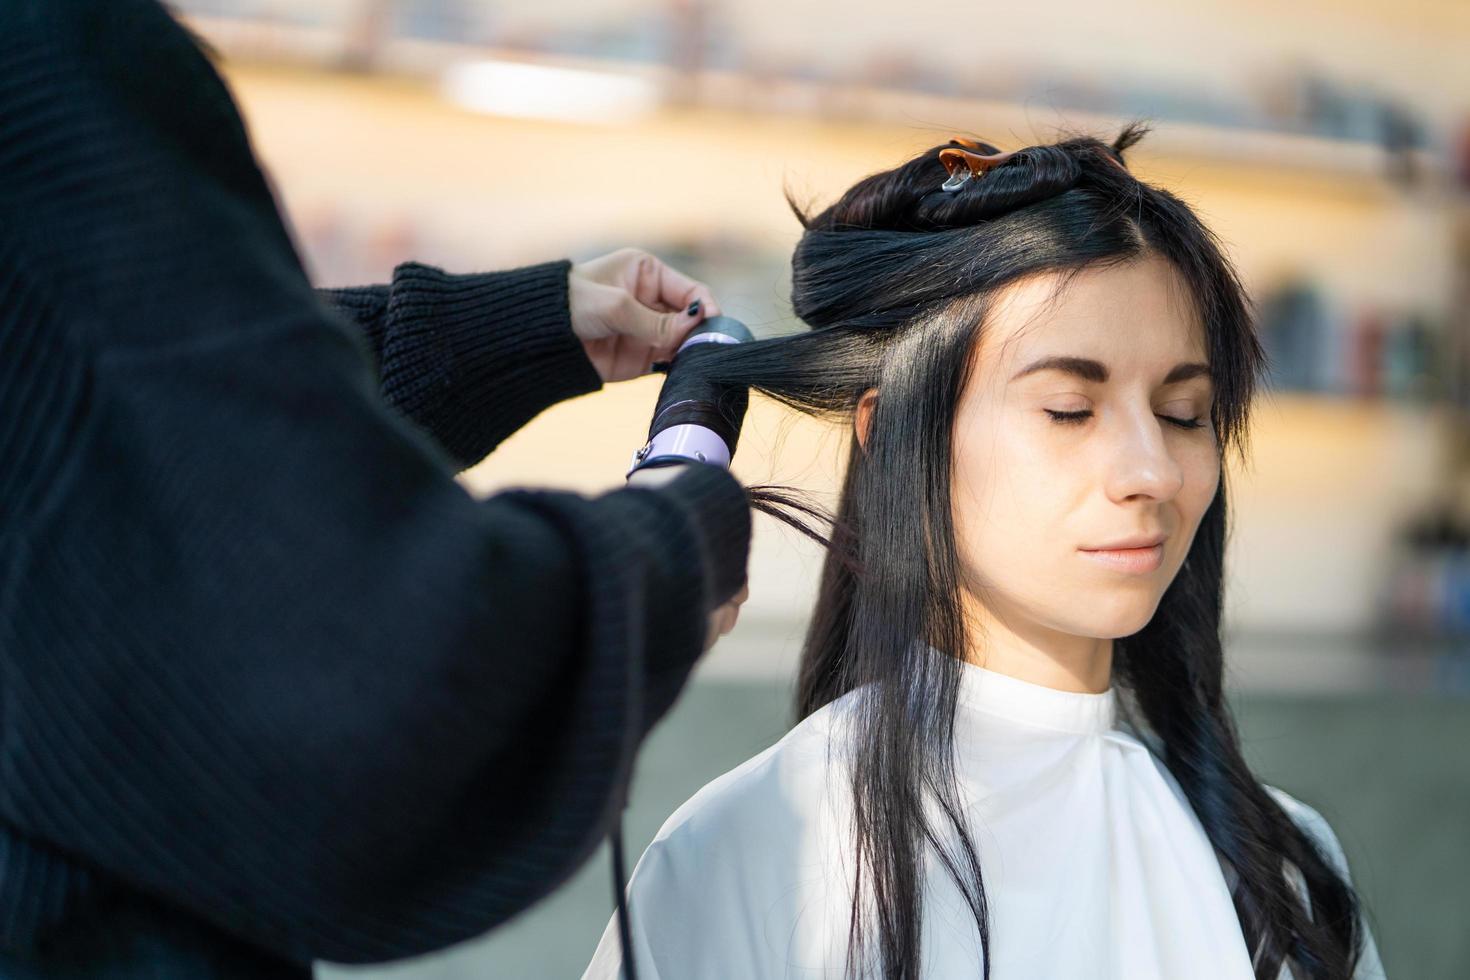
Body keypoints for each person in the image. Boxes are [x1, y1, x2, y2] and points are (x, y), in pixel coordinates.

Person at [0, 0, 749, 976]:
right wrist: (676, 534)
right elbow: (384, 686)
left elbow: (87, 416)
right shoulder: (40, 66)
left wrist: (507, 332)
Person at [583, 126, 1389, 979]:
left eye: (1184, 414)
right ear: (893, 431)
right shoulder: (748, 855)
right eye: (1069, 410)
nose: (1153, 470)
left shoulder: (1283, 879)